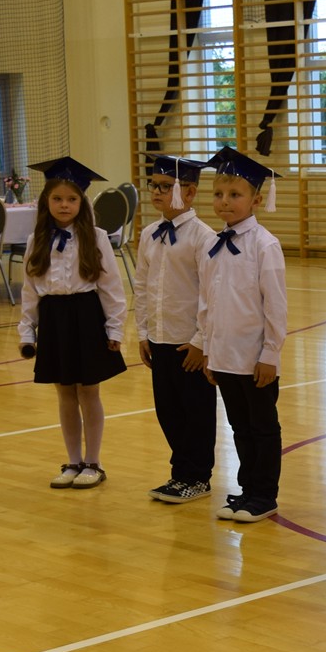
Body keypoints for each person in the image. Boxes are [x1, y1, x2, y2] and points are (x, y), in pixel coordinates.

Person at [17, 156, 127, 490]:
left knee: (88, 392)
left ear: (82, 202)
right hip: (54, 319)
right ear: (46, 202)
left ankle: (93, 462)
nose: (64, 205)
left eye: (72, 199)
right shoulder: (37, 240)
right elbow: (30, 291)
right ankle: (73, 461)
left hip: (86, 316)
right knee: (64, 393)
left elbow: (111, 288)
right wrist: (27, 332)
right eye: (57, 199)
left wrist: (115, 328)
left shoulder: (96, 237)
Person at [194, 146, 287, 523]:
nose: (225, 201)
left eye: (235, 194)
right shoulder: (211, 245)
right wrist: (208, 350)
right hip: (224, 356)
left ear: (256, 200)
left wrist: (271, 354)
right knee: (239, 427)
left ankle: (265, 494)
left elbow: (275, 305)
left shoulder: (265, 245)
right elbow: (207, 301)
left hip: (254, 358)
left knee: (262, 427)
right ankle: (248, 490)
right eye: (218, 194)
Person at [134, 154, 218, 504]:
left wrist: (201, 341)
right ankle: (180, 473)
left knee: (196, 411)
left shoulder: (203, 237)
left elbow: (210, 294)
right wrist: (143, 333)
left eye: (166, 186)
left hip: (189, 342)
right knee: (168, 410)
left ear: (191, 192)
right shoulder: (149, 234)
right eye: (154, 185)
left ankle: (197, 476)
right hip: (160, 338)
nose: (157, 192)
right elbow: (142, 286)